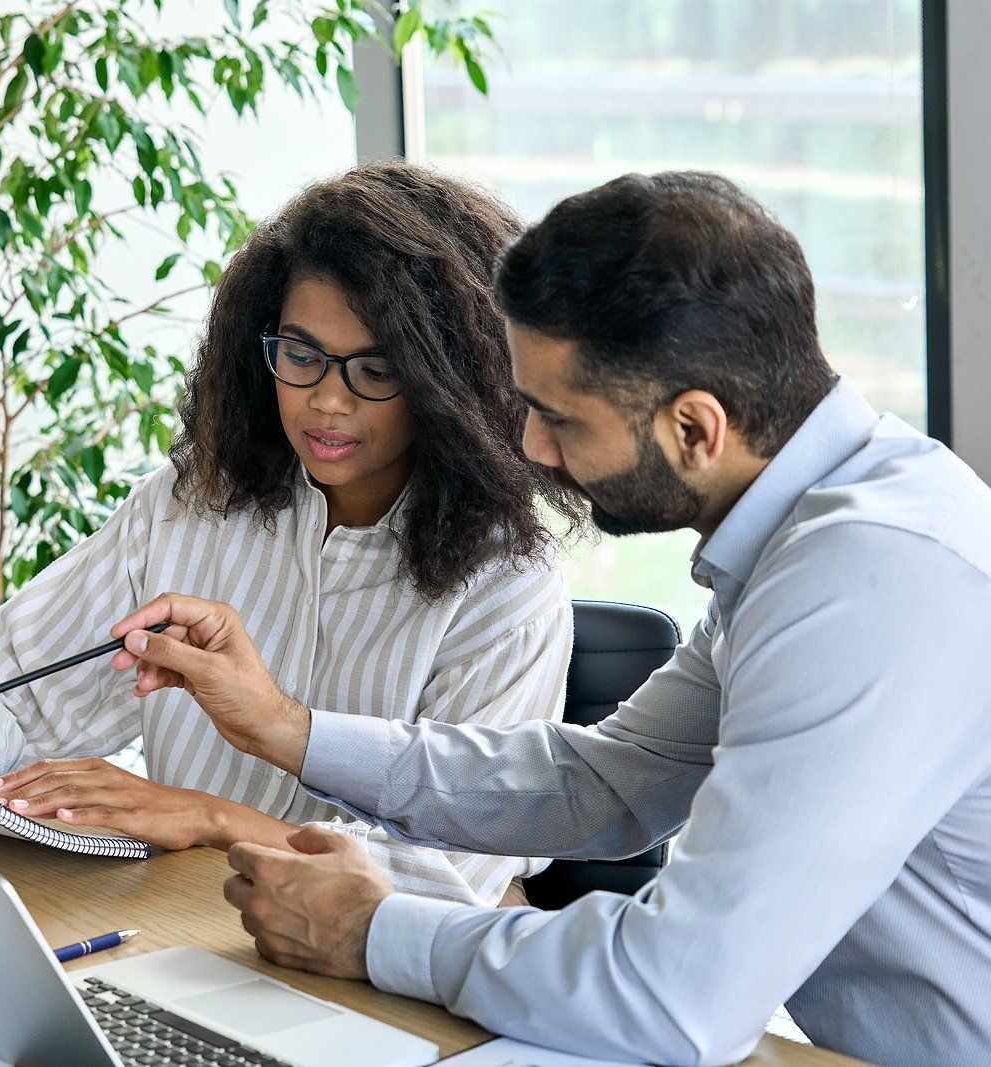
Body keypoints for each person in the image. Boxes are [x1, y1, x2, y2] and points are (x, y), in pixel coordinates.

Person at [120, 171, 991, 1066]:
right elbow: (606, 784)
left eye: (557, 417)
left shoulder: (871, 579)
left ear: (696, 428)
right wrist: (291, 731)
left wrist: (375, 929)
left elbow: (680, 993)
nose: (531, 448)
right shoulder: (806, 536)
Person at [0, 160, 580, 905]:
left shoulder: (509, 584)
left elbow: (456, 875)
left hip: (386, 971)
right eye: (300, 353)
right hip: (182, 928)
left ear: (449, 379)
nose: (325, 400)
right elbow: (14, 689)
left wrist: (210, 819)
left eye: (374, 369)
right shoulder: (192, 505)